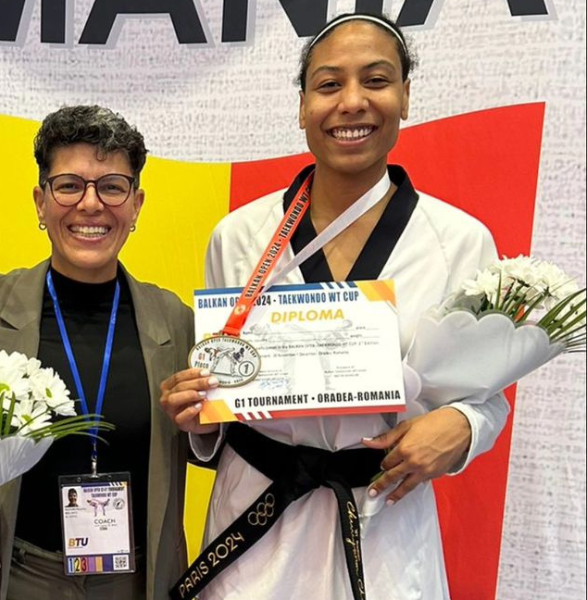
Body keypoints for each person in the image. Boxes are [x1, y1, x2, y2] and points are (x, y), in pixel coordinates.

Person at [160, 13, 511, 600]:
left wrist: (464, 425)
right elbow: (226, 383)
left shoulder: (460, 240)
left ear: (404, 97)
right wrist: (199, 414)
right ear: (302, 107)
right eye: (328, 85)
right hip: (257, 513)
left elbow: (483, 394)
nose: (353, 102)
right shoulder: (240, 235)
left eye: (376, 81)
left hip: (384, 518)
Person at [0, 105, 192, 600]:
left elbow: (202, 448)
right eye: (69, 186)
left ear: (136, 204)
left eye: (111, 186)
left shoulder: (175, 320)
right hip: (16, 574)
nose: (90, 205)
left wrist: (206, 428)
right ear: (41, 202)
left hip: (136, 580)